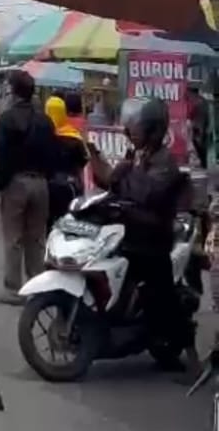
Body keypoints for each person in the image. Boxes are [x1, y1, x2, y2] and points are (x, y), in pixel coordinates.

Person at [89, 97, 196, 371]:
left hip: (153, 242)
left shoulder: (165, 162)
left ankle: (191, 358)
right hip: (133, 236)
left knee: (165, 303)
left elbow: (143, 193)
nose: (132, 131)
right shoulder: (140, 155)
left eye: (138, 127)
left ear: (153, 131)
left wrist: (123, 173)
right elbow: (114, 184)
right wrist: (96, 158)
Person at [0, 69, 60, 300]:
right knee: (36, 238)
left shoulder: (7, 119)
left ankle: (13, 289)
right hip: (41, 183)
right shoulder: (45, 121)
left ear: (13, 92)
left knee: (13, 237)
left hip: (15, 183)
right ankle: (36, 286)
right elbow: (54, 154)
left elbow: (1, 155)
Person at [45, 94, 88, 225]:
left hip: (47, 187)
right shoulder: (74, 136)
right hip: (71, 186)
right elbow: (83, 162)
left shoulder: (43, 136)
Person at [188, 84, 210, 168]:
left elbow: (200, 119)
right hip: (201, 128)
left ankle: (204, 164)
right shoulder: (201, 101)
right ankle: (203, 163)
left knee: (200, 145)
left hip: (200, 128)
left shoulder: (198, 102)